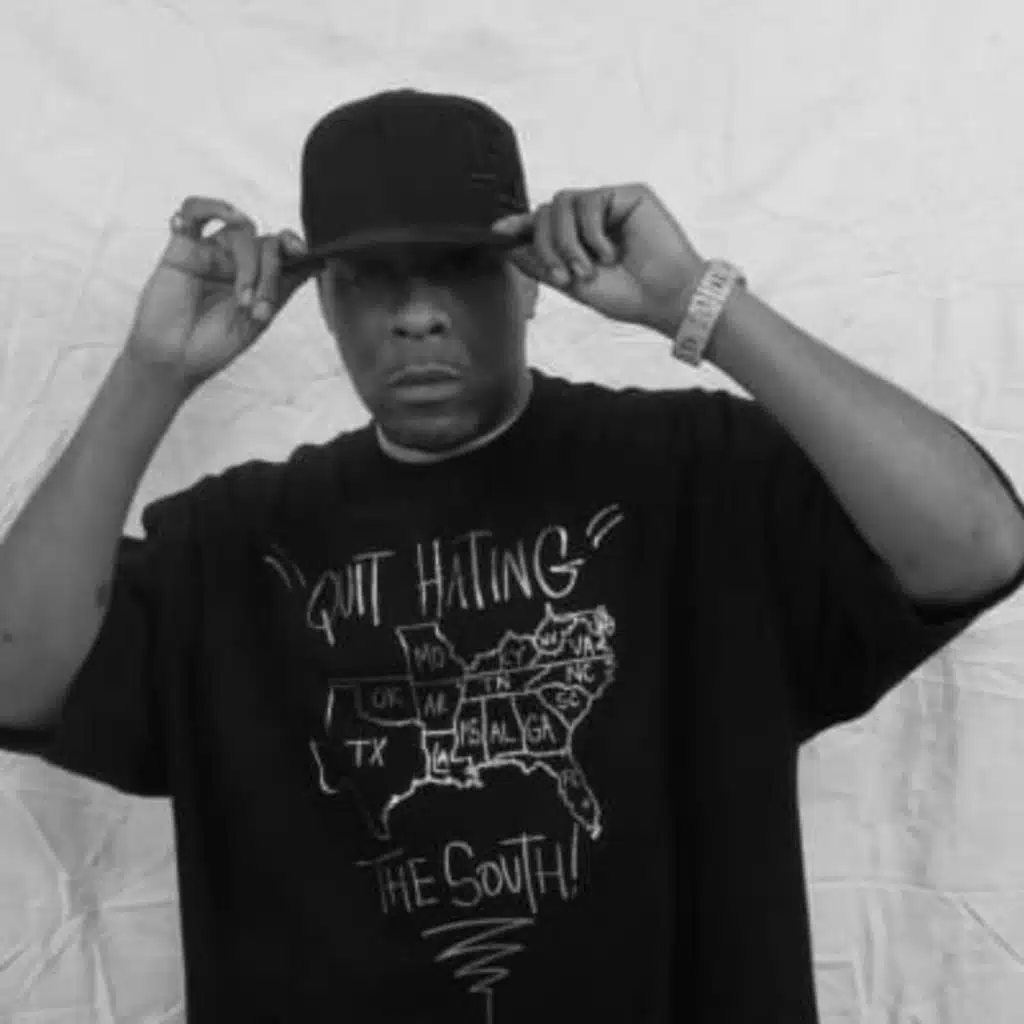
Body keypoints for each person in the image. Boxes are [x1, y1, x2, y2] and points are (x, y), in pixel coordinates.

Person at [1, 88, 1023, 1024]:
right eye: (369, 279)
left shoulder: (698, 481)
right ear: (322, 298)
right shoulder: (234, 546)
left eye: (456, 267)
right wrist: (152, 374)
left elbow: (976, 544)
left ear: (528, 280)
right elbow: (14, 677)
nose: (416, 314)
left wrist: (698, 304)